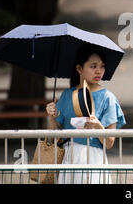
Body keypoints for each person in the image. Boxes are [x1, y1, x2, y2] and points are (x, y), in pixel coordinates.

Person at [45, 44, 126, 184]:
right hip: (68, 158)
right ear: (79, 68)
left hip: (94, 159)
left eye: (102, 66)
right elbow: (55, 137)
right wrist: (52, 117)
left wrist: (98, 127)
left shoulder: (108, 98)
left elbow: (109, 143)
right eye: (93, 66)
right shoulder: (67, 95)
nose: (99, 71)